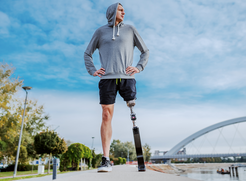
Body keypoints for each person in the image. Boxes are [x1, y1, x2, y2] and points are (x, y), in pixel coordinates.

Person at [84, 2, 149, 172]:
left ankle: (140, 157)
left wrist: (139, 67)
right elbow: (87, 53)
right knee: (106, 115)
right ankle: (106, 159)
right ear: (112, 11)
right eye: (120, 9)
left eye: (124, 9)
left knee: (132, 111)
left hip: (127, 77)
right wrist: (92, 70)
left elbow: (145, 51)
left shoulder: (130, 29)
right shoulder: (100, 32)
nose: (124, 12)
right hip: (107, 79)